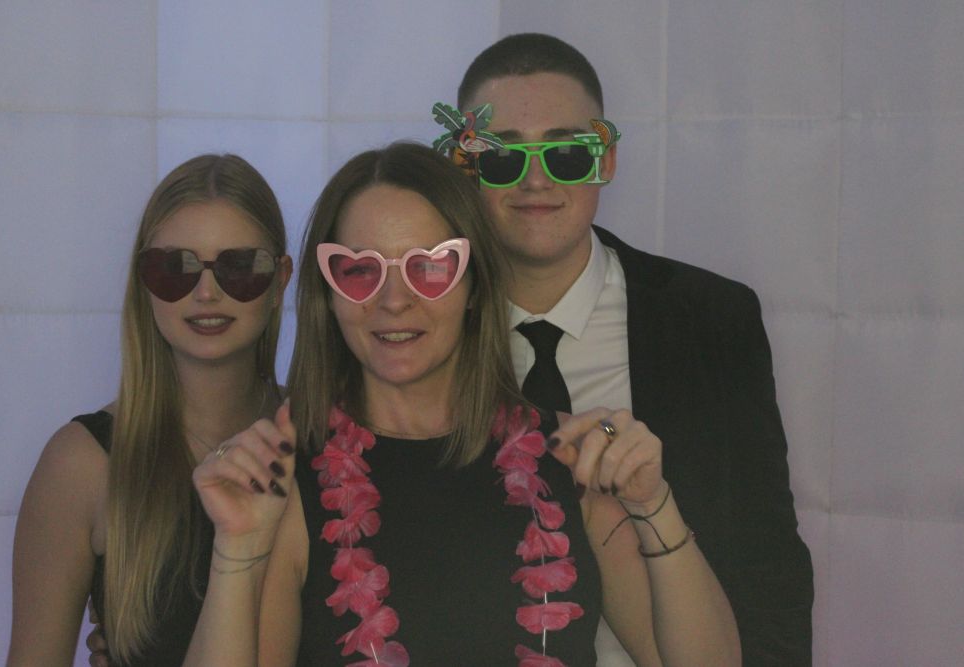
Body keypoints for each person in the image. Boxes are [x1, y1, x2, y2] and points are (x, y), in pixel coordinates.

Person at [179, 141, 740, 666]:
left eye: (429, 267)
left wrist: (653, 503)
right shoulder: (285, 483)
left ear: (474, 286)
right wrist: (237, 550)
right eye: (360, 270)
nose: (394, 301)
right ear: (329, 294)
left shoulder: (569, 458)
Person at [451, 33, 814, 666]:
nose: (535, 179)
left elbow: (767, 556)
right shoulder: (418, 330)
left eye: (567, 153)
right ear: (465, 167)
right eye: (502, 156)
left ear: (606, 159)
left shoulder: (711, 319)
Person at [7, 154, 294, 666]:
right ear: (143, 281)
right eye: (174, 268)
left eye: (239, 267)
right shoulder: (81, 465)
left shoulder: (328, 438)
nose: (207, 292)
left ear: (281, 281)